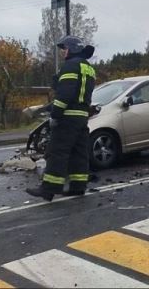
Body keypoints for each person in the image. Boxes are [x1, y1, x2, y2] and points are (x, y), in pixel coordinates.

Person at [26, 36, 96, 201]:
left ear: (72, 48)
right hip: (82, 117)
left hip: (67, 117)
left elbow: (65, 95)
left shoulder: (71, 66)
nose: (63, 51)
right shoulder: (88, 68)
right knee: (79, 153)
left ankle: (48, 189)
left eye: (65, 48)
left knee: (57, 152)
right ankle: (78, 187)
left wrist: (55, 115)